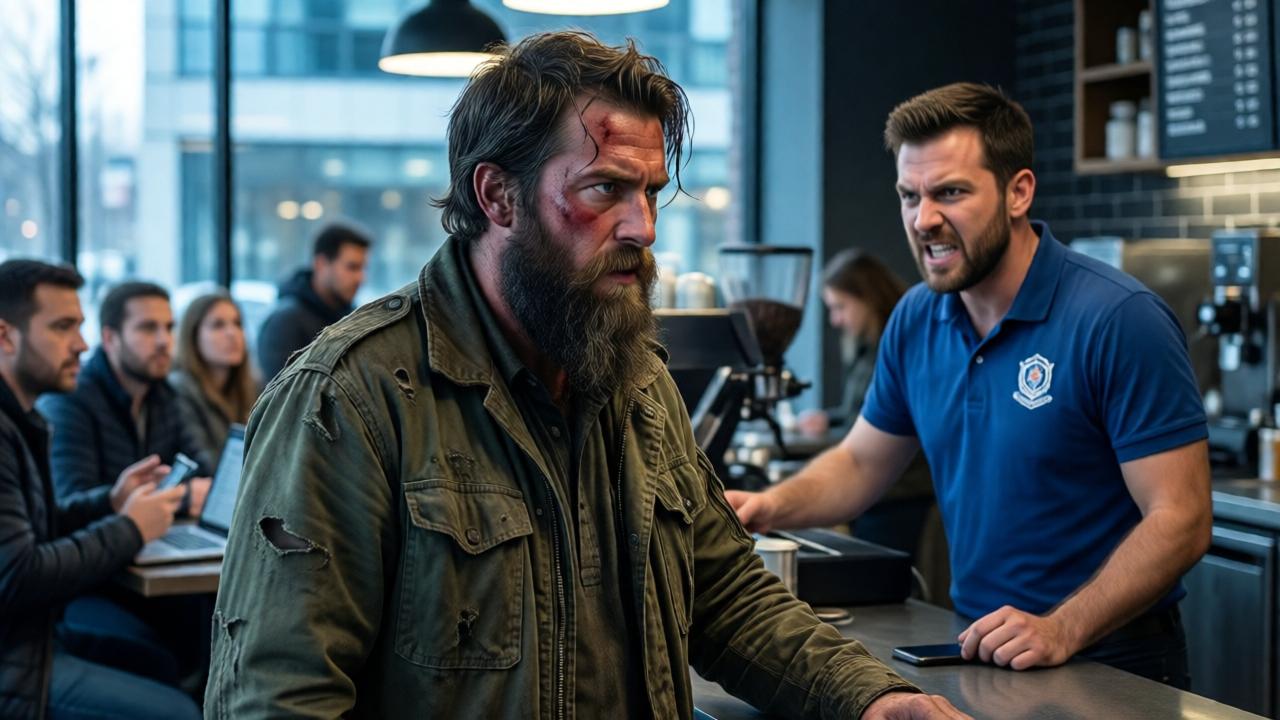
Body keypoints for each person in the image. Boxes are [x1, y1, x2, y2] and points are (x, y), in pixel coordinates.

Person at [205, 32, 967, 720]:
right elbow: (279, 701)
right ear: (497, 196)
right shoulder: (350, 400)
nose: (644, 226)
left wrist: (873, 700)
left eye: (650, 192)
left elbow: (726, 597)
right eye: (605, 189)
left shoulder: (635, 381)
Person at [727, 83, 1212, 688]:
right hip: (982, 647)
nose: (924, 219)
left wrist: (1062, 626)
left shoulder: (1118, 319)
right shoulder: (915, 318)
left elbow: (1181, 518)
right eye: (910, 196)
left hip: (1114, 658)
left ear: (1019, 192)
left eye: (950, 193)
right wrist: (768, 507)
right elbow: (860, 464)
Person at [0, 259, 199, 720]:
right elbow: (20, 575)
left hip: (38, 639)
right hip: (19, 661)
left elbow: (36, 531)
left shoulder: (20, 419)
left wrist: (108, 502)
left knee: (165, 658)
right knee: (178, 713)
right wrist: (130, 526)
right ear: (6, 336)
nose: (82, 345)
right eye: (63, 327)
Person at [798, 250, 944, 599]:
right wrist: (832, 416)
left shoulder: (899, 344)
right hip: (880, 497)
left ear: (867, 298)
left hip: (900, 496)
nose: (835, 320)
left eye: (840, 307)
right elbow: (876, 408)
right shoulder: (870, 347)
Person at [38, 281, 210, 512]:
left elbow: (205, 473)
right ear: (110, 338)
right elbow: (72, 501)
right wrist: (182, 498)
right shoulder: (70, 399)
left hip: (153, 537)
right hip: (107, 543)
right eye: (148, 328)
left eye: (169, 328)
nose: (163, 341)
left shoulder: (164, 393)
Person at [256, 222, 371, 380]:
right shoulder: (285, 321)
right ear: (321, 264)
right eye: (352, 267)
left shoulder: (353, 318)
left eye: (363, 268)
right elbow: (283, 398)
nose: (361, 278)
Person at [171, 292, 258, 466]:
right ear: (193, 336)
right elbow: (206, 464)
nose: (232, 333)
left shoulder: (250, 386)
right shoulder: (179, 388)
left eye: (237, 324)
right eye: (218, 325)